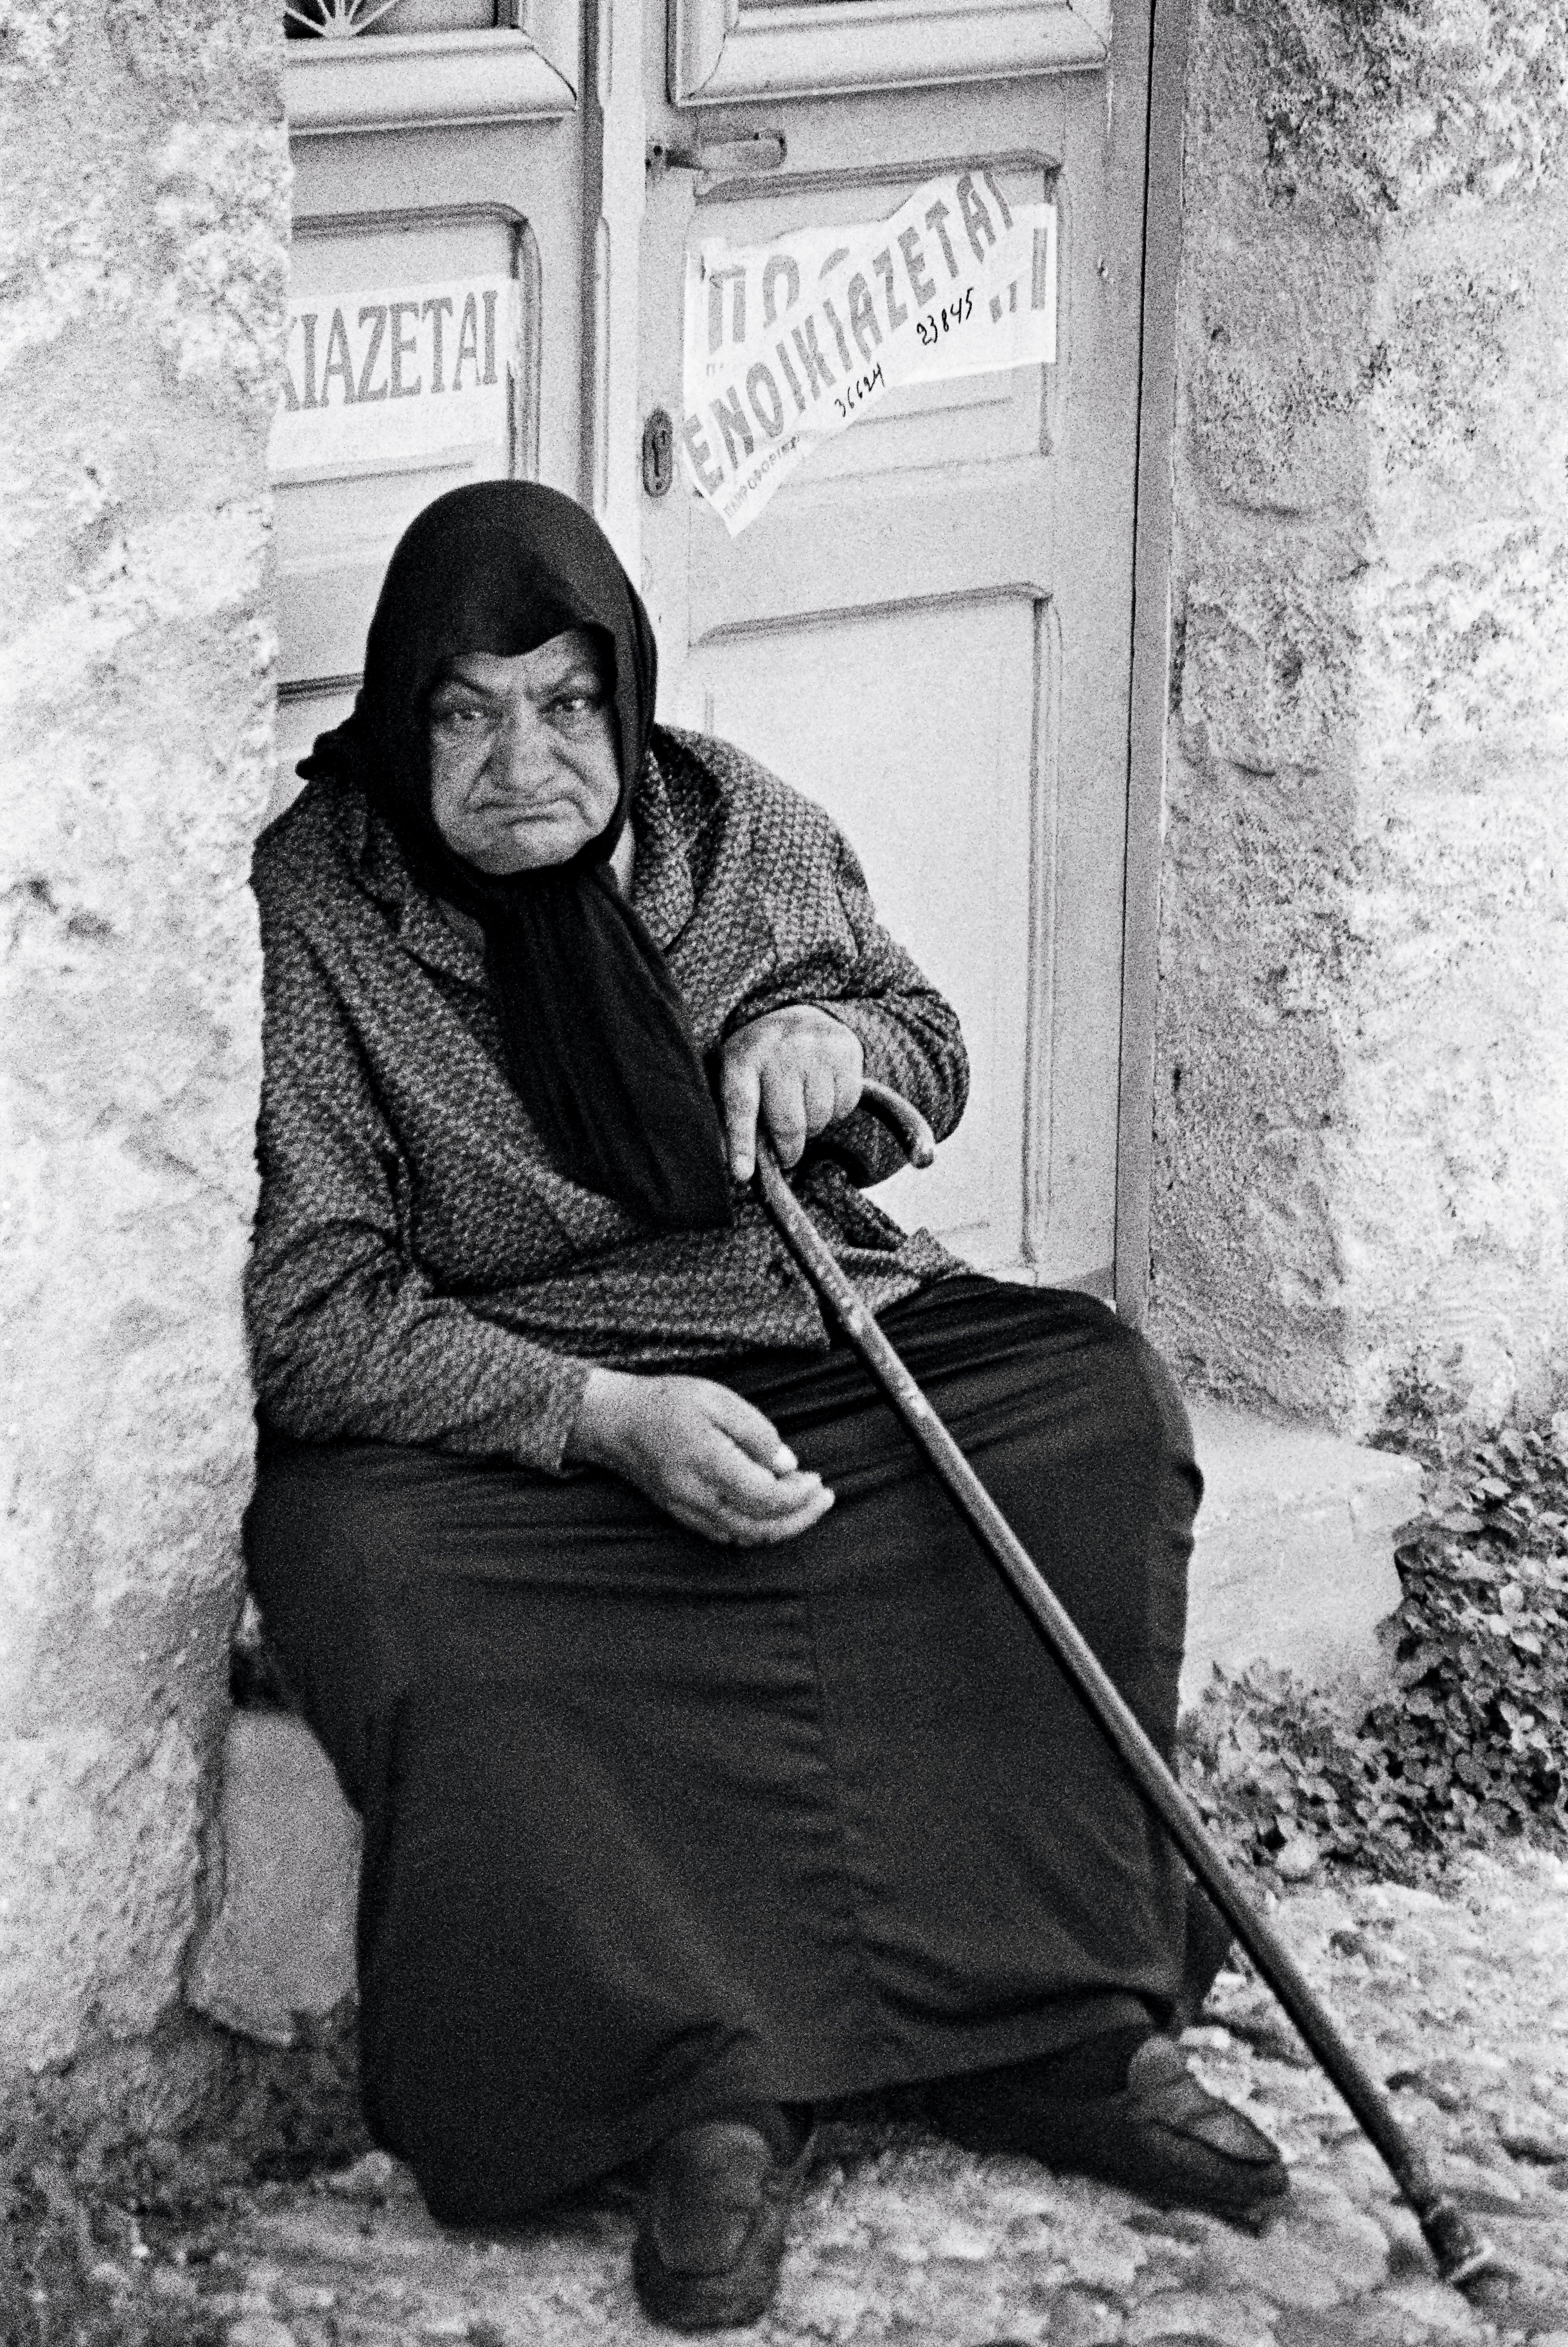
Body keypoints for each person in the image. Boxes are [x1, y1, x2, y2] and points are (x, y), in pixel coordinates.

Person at [243, 481, 1283, 2332]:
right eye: (464, 713)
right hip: (519, 1395)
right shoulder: (326, 904)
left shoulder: (736, 829)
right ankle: (693, 2090)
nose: (520, 761)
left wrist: (837, 1051)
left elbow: (917, 1039)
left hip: (799, 1313)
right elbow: (320, 1306)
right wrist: (593, 1416)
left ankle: (1051, 2022)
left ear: (627, 699)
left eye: (567, 705)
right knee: (371, 1567)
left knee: (1086, 1415)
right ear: (402, 717)